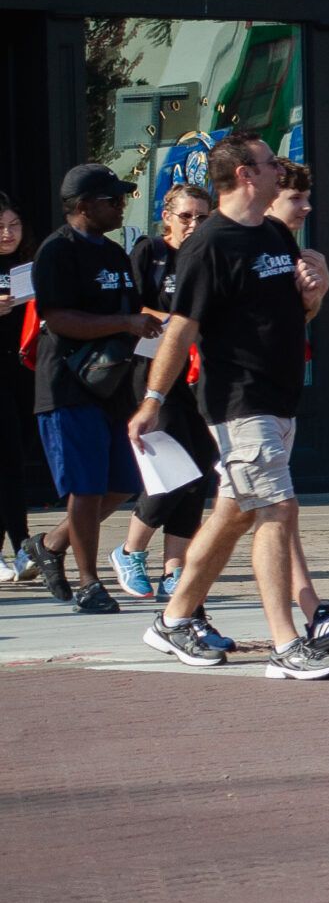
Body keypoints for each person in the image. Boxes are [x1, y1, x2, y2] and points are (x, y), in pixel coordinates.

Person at [129, 134, 329, 677]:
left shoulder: (274, 234)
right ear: (247, 175)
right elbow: (181, 329)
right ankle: (285, 646)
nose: (281, 171)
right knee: (277, 510)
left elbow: (295, 318)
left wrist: (315, 293)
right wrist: (153, 399)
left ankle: (174, 618)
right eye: (270, 164)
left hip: (279, 399)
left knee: (234, 514)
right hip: (237, 401)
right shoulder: (209, 244)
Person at [25, 165, 159, 613]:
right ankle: (88, 583)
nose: (121, 205)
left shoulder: (116, 254)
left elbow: (129, 309)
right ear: (83, 206)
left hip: (112, 384)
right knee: (84, 487)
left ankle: (51, 544)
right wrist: (123, 322)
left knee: (123, 482)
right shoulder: (56, 253)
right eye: (112, 199)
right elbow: (58, 318)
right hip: (68, 385)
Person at [114, 184, 218, 601]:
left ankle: (174, 568)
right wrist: (179, 323)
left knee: (199, 472)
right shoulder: (150, 253)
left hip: (201, 375)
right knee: (173, 469)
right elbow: (130, 308)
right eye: (186, 215)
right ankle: (129, 550)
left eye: (202, 217)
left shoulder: (209, 256)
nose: (194, 224)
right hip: (156, 372)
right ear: (167, 217)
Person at [0, 193, 37, 585]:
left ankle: (20, 549)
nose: (8, 234)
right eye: (0, 227)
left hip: (23, 370)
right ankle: (25, 546)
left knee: (15, 460)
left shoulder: (27, 266)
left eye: (14, 225)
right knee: (8, 462)